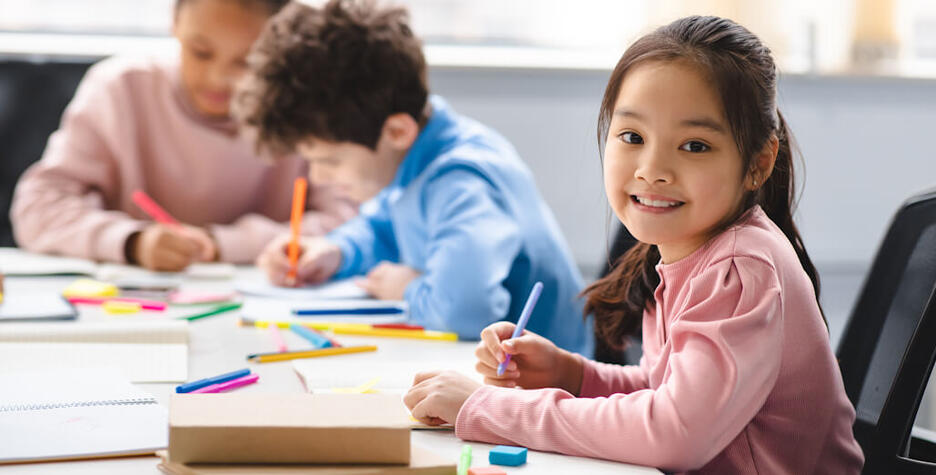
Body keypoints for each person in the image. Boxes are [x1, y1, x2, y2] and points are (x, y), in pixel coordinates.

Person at [403, 16, 864, 473]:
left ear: (758, 164)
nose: (652, 168)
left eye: (695, 146)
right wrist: (571, 374)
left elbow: (674, 433)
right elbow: (666, 389)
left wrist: (490, 409)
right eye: (632, 137)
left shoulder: (740, 270)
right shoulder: (687, 254)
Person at [241, 0, 592, 354]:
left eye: (329, 160)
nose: (317, 177)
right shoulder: (416, 151)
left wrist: (406, 289)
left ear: (396, 132)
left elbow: (467, 311)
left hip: (550, 387)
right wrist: (337, 251)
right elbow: (386, 229)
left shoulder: (459, 181)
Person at [10, 0, 355, 271]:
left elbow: (355, 225)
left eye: (248, 61)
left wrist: (226, 244)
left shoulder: (308, 106)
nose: (219, 79)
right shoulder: (120, 89)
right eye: (200, 52)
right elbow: (37, 208)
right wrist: (131, 242)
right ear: (174, 24)